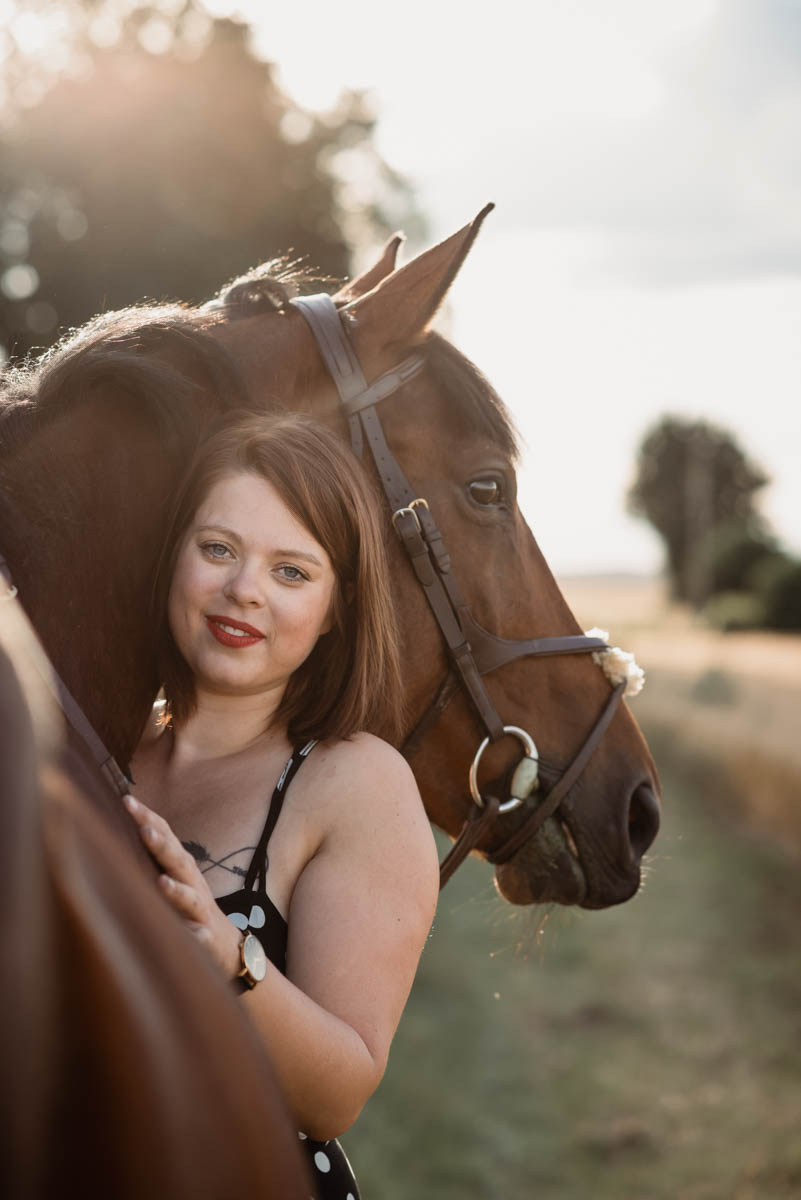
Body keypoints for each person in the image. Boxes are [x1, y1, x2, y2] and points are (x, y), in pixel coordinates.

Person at [124, 412, 439, 1199]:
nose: (243, 591)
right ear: (173, 556)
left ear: (337, 609)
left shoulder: (353, 783)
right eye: (219, 549)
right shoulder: (92, 749)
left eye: (291, 572)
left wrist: (228, 957)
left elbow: (335, 1099)